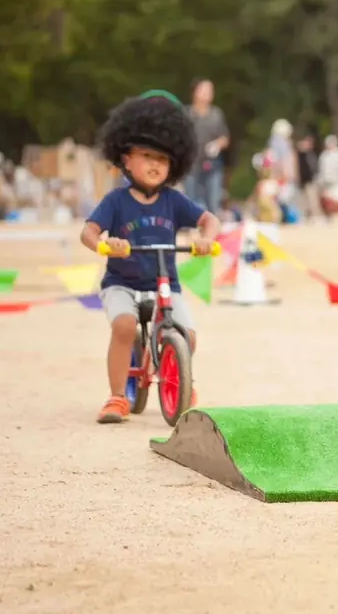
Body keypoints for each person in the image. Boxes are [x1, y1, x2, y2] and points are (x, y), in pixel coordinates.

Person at [80, 90, 221, 424]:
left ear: (174, 164)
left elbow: (209, 220)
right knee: (125, 325)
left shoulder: (173, 201)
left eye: (163, 158)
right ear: (125, 158)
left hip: (164, 284)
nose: (155, 164)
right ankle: (116, 397)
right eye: (146, 155)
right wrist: (103, 244)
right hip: (122, 284)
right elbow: (88, 231)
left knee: (188, 334)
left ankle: (179, 377)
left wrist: (206, 238)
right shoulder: (116, 201)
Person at [184, 79, 230, 212]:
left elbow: (225, 137)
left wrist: (217, 145)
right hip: (191, 165)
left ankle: (212, 228)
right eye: (203, 90)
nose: (207, 94)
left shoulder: (216, 114)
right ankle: (191, 228)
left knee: (213, 202)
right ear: (194, 92)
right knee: (190, 200)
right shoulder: (186, 114)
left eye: (210, 91)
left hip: (213, 166)